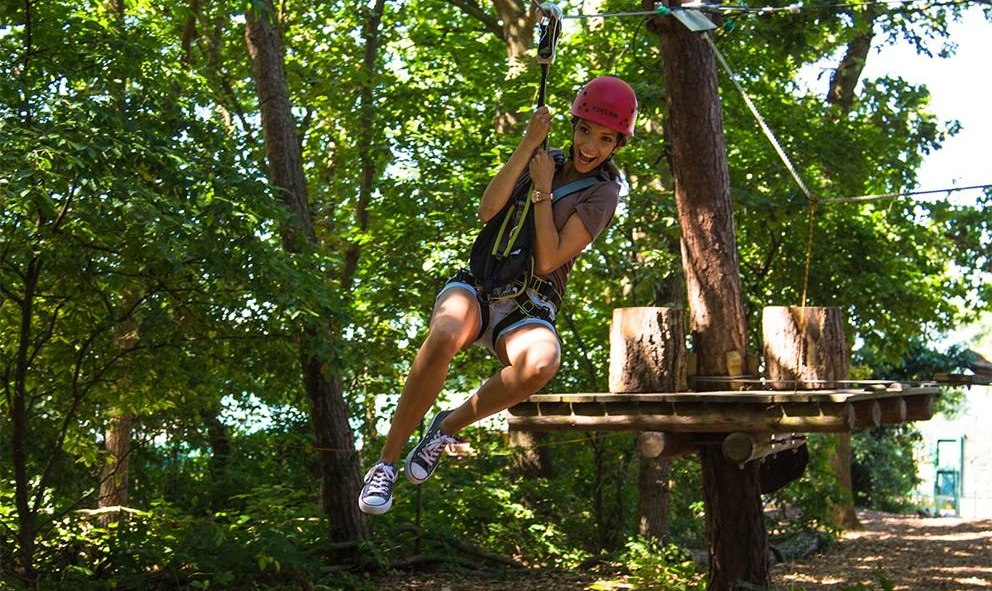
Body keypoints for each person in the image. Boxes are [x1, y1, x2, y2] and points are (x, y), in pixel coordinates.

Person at [358, 76, 638, 515]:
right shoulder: (543, 157)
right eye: (585, 131)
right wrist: (528, 146)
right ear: (573, 125)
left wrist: (544, 190)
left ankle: (446, 425)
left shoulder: (603, 192)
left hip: (530, 304)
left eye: (605, 139)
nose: (591, 146)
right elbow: (488, 210)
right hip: (480, 284)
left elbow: (548, 260)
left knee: (542, 363)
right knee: (445, 333)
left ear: (617, 144)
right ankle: (386, 465)